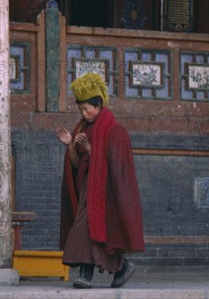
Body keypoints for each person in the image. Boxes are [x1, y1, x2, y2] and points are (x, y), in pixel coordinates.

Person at [55, 73, 145, 289]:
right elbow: (76, 164)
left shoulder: (114, 130)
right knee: (89, 230)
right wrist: (70, 145)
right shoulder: (82, 129)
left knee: (85, 227)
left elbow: (116, 166)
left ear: (99, 104)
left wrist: (91, 150)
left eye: (87, 109)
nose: (84, 114)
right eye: (81, 110)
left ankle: (86, 275)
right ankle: (122, 267)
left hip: (105, 191)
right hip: (88, 187)